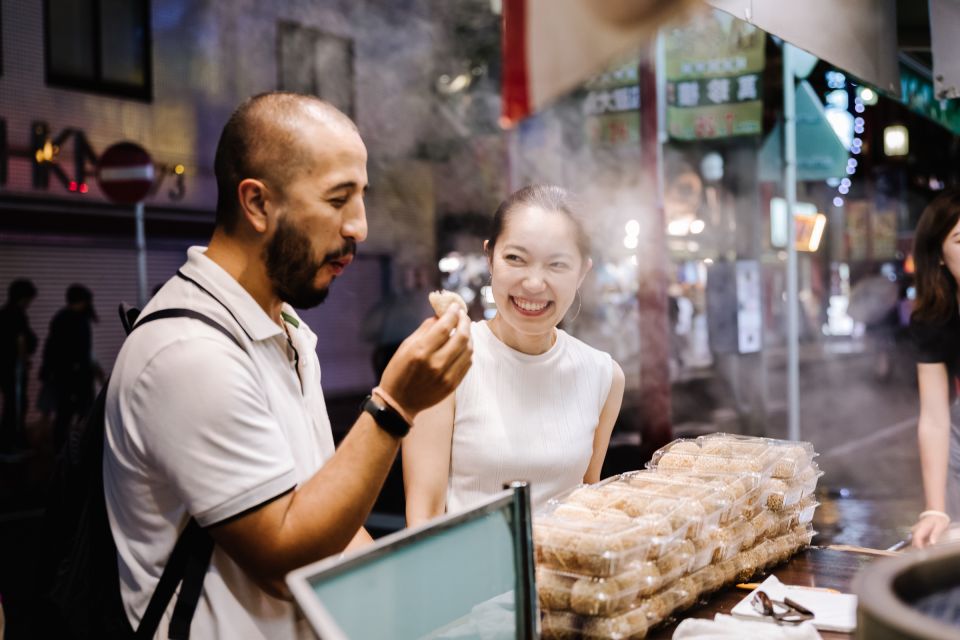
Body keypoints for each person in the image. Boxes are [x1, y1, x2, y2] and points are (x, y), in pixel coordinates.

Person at [103, 92, 473, 638]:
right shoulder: (188, 353)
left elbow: (326, 516)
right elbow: (285, 561)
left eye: (361, 198)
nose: (359, 227)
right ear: (256, 204)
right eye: (338, 199)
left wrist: (417, 604)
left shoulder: (286, 329)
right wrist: (394, 407)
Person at [402, 185, 625, 525]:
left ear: (582, 272)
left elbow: (587, 502)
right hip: (472, 575)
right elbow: (423, 518)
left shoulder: (603, 375)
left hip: (566, 576)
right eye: (516, 258)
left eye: (557, 264)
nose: (534, 283)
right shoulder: (445, 359)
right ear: (490, 257)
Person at [909, 190, 960, 548]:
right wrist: (935, 509)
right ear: (939, 256)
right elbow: (935, 417)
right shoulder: (934, 320)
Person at [38, 284, 103, 454]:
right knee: (77, 413)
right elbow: (81, 352)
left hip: (67, 376)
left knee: (66, 414)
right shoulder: (75, 320)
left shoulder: (63, 317)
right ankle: (75, 448)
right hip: (74, 376)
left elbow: (52, 348)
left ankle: (64, 448)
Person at [0, 279, 37, 452]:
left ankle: (10, 443)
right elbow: (20, 340)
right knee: (16, 406)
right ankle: (11, 446)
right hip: (14, 368)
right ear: (23, 297)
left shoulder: (4, 312)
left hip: (6, 366)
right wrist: (23, 361)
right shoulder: (17, 314)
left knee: (12, 405)